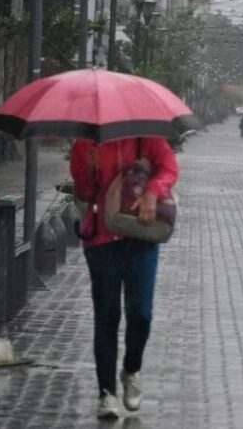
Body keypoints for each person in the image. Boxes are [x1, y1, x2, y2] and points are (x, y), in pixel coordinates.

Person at [70, 137, 179, 419]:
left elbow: (169, 168)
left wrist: (153, 191)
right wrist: (89, 170)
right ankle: (106, 392)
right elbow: (84, 192)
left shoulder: (147, 137)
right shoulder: (86, 143)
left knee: (141, 313)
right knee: (107, 313)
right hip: (101, 239)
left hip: (141, 236)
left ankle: (131, 370)